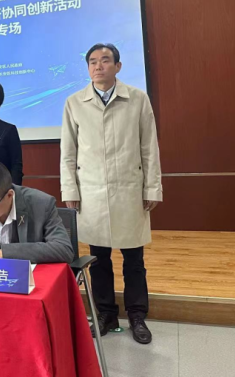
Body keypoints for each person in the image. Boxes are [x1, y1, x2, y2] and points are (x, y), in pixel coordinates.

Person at [60, 43, 162, 344]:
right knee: (99, 260)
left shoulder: (137, 99)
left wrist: (152, 187)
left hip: (129, 190)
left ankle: (137, 315)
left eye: (105, 60)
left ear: (118, 66)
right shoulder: (75, 102)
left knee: (134, 260)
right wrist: (70, 189)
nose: (98, 66)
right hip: (91, 192)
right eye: (92, 61)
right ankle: (105, 314)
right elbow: (68, 152)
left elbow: (149, 147)